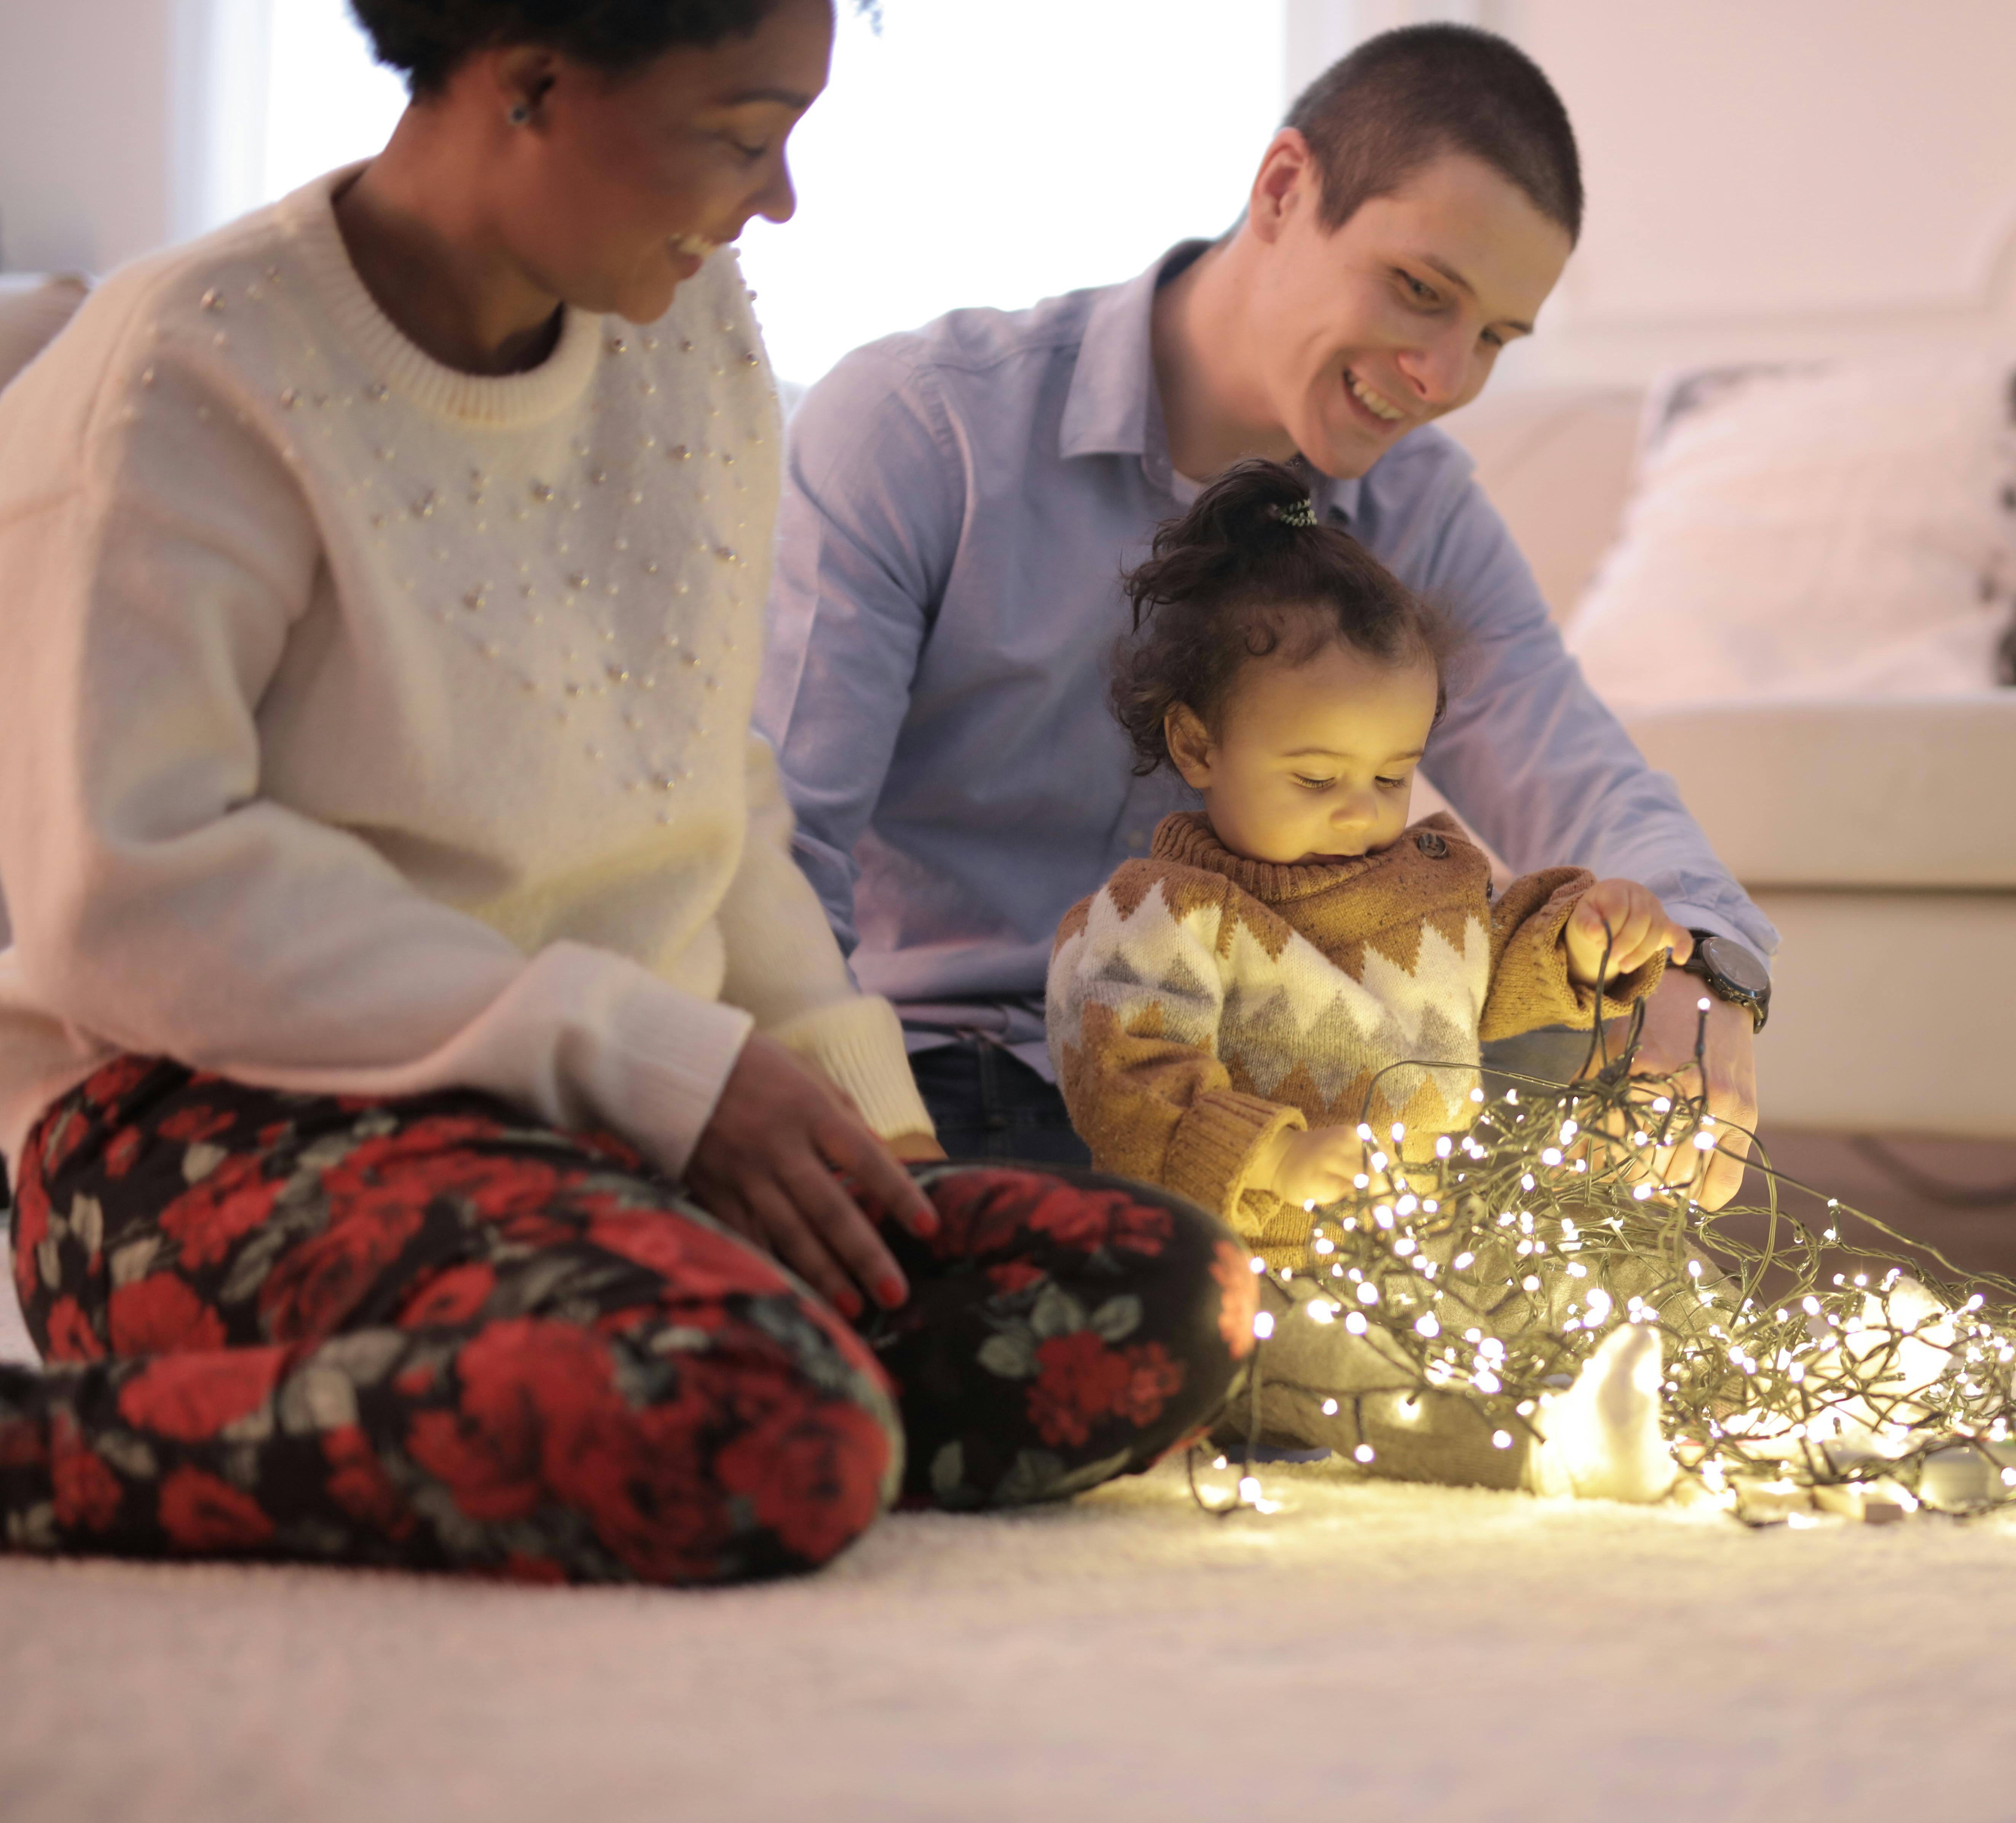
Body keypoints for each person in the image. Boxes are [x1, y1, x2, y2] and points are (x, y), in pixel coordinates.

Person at [0, 0, 1248, 1583]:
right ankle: (52, 1445)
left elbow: (701, 782)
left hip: (607, 1133)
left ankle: (611, 1370)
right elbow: (132, 895)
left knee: (1149, 1293)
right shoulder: (185, 374)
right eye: (742, 134)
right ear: (528, 82)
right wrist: (657, 1059)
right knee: (757, 1414)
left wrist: (866, 1125)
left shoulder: (690, 326)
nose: (779, 196)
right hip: (202, 1130)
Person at [760, 23, 1779, 1202]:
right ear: (1285, 189)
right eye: (1418, 291)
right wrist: (861, 1149)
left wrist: (1704, 970)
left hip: (1291, 1104)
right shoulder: (926, 430)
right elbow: (782, 847)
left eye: (1493, 337)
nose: (1445, 378)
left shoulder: (1417, 505)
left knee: (1575, 1036)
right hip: (959, 1081)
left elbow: (1575, 766)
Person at [1046, 462, 1684, 1497]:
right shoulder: (1157, 916)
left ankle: (1654, 1391)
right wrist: (1279, 1157)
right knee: (1348, 1376)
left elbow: (1500, 968)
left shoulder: (1431, 883)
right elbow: (1130, 1090)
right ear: (1198, 744)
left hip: (1420, 1245)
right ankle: (1543, 1453)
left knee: (1578, 1280)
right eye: (1317, 778)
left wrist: (1584, 942)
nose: (1361, 810)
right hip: (1248, 1271)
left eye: (1394, 775)